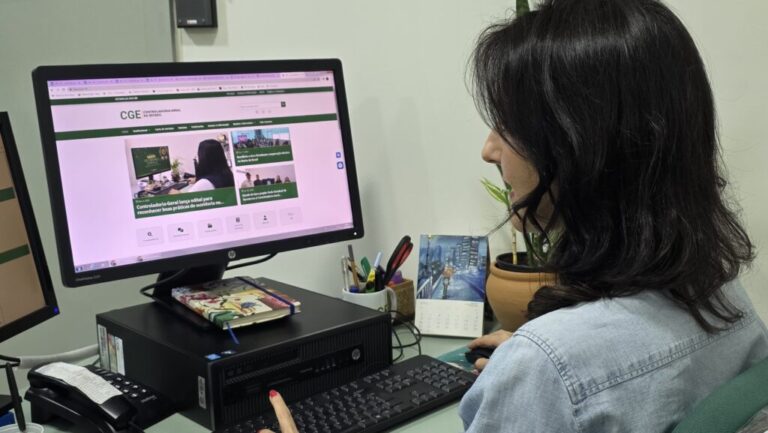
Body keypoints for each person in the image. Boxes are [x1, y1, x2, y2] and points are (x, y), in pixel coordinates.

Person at [260, 0, 768, 432]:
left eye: (507, 125)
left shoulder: (547, 369)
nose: (489, 150)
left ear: (581, 146)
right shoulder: (724, 295)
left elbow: (565, 375)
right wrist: (532, 363)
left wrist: (537, 366)